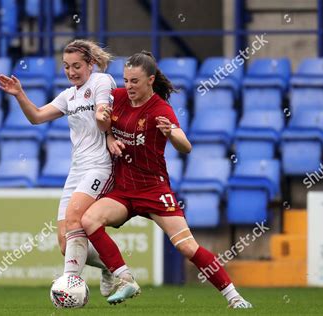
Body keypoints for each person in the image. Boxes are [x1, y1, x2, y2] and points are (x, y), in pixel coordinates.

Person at [81, 51, 253, 308]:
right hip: (124, 189)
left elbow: (186, 146)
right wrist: (107, 137)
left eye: (135, 81)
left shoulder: (161, 109)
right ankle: (123, 276)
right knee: (89, 220)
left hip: (153, 189)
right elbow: (98, 120)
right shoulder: (116, 98)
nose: (128, 86)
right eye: (126, 80)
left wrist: (172, 133)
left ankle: (234, 297)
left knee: (187, 247)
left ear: (150, 80)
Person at [0, 39, 117, 296]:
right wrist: (20, 94)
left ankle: (68, 289)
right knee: (65, 243)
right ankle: (109, 265)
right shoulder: (68, 95)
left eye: (77, 66)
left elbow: (104, 113)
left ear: (91, 64)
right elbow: (37, 117)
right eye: (66, 67)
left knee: (75, 218)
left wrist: (103, 118)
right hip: (76, 170)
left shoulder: (101, 81)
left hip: (100, 166)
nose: (71, 72)